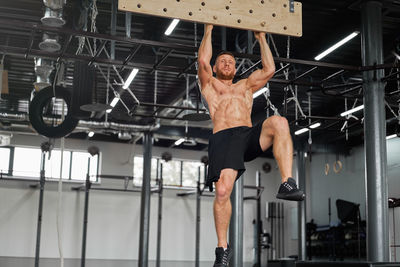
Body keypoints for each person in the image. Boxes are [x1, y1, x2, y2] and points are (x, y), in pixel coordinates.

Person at [197, 24, 305, 267]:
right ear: (215, 68)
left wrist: (262, 37)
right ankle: (222, 248)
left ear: (236, 68)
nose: (227, 64)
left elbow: (269, 68)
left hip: (247, 135)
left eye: (231, 61)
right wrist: (208, 28)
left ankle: (287, 182)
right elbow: (202, 61)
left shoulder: (246, 85)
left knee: (278, 122)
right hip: (224, 138)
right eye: (222, 61)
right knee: (223, 191)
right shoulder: (210, 84)